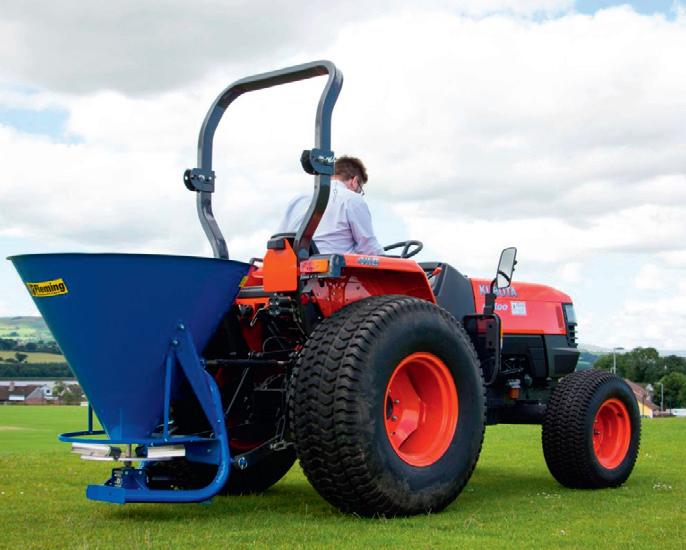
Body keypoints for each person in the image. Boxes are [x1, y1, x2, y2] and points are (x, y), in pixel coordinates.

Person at [276, 155, 385, 256]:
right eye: (359, 190)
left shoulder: (298, 199)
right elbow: (368, 247)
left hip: (293, 266)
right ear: (355, 181)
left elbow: (279, 239)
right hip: (334, 268)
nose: (358, 193)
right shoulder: (352, 199)